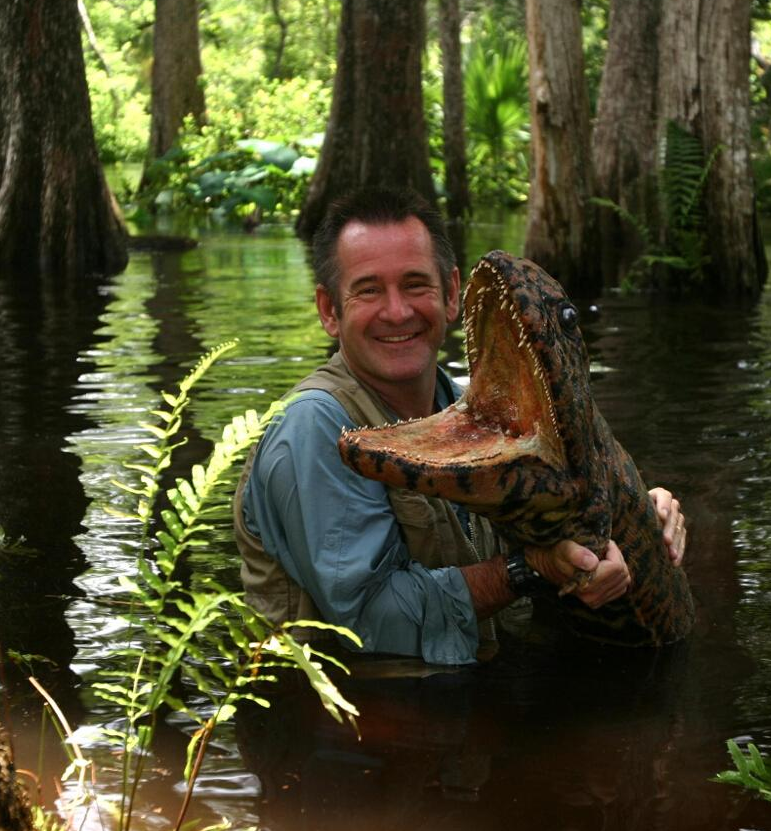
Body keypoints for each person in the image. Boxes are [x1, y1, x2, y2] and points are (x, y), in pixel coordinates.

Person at [233, 187, 686, 665]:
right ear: (329, 311)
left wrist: (639, 518)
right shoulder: (311, 426)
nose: (397, 312)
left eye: (415, 284)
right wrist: (529, 570)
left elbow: (562, 510)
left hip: (474, 697)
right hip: (355, 721)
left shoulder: (466, 408)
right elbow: (370, 621)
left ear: (451, 295)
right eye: (368, 290)